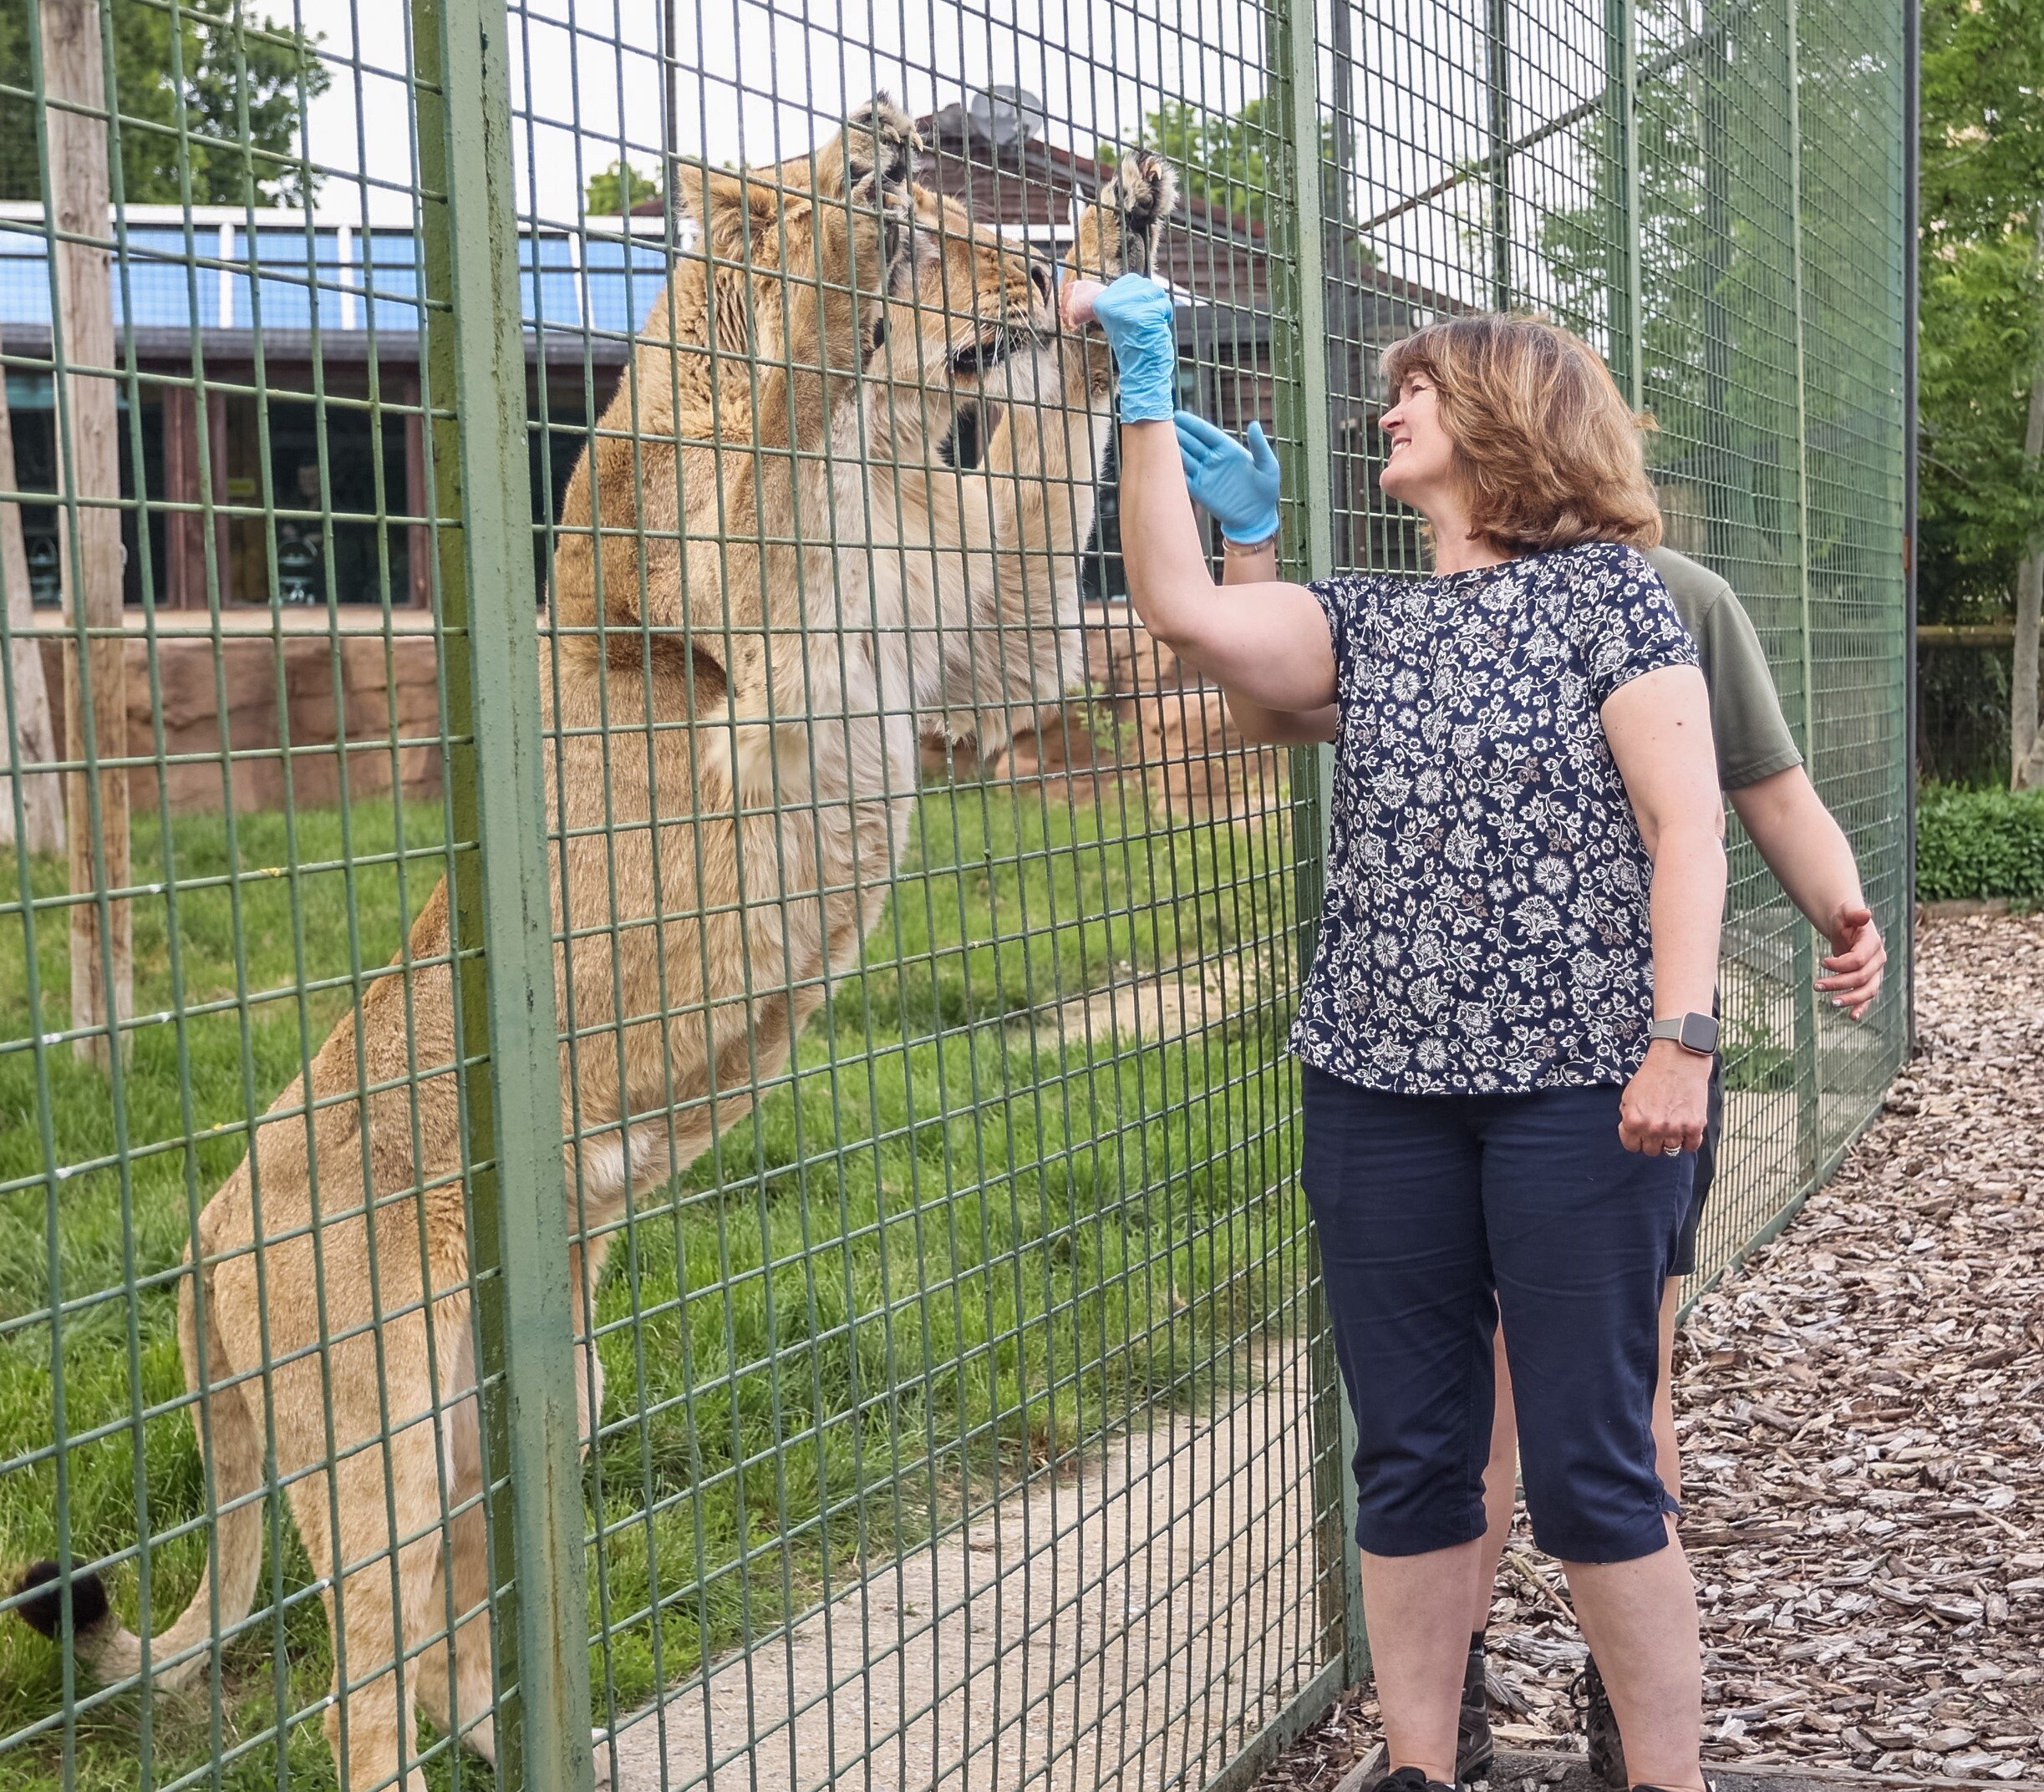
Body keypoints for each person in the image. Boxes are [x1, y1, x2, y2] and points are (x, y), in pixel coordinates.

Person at [1172, 411, 1888, 1788]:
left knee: (1605, 1405)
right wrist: (1248, 546)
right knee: (1449, 1422)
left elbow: (1760, 788)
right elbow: (1260, 697)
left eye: (1434, 394)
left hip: (1611, 1059)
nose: (1395, 413)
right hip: (1419, 1071)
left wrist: (1838, 912)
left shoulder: (1672, 597)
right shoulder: (1406, 612)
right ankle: (1455, 1705)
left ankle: (1636, 1727)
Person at [1091, 277, 1721, 1792]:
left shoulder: (1610, 596)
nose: (1391, 411)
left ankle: (1666, 1780)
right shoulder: (1371, 623)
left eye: (1417, 392)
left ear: (1501, 419)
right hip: (1378, 1090)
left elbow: (1683, 823)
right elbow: (1186, 620)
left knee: (1589, 1461)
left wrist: (1680, 1034)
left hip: (1584, 1087)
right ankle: (1420, 1770)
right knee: (1412, 1452)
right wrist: (1143, 405)